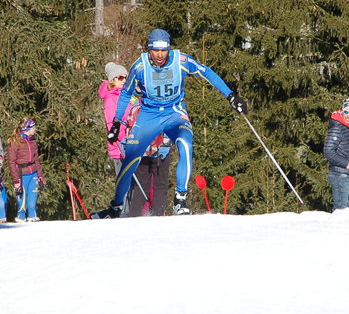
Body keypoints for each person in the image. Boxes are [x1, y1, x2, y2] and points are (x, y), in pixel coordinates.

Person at [92, 28, 247, 218]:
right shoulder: (140, 66)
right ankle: (115, 207)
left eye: (163, 50)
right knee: (131, 158)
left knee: (185, 143)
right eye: (155, 50)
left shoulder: (180, 61)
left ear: (168, 49)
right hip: (149, 115)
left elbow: (206, 72)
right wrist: (117, 122)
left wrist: (231, 96)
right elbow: (125, 93)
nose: (159, 55)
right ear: (149, 49)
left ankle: (180, 199)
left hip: (174, 113)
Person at [99, 61, 134, 215]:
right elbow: (114, 122)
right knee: (124, 180)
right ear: (112, 80)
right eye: (120, 78)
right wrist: (126, 139)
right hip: (120, 146)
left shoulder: (127, 95)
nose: (124, 80)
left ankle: (131, 210)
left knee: (133, 180)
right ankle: (123, 211)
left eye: (126, 77)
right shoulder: (112, 97)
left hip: (132, 143)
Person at [126, 104, 173, 217]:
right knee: (160, 184)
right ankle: (157, 214)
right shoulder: (163, 106)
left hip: (141, 151)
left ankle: (135, 214)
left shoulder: (136, 108)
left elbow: (129, 129)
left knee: (141, 185)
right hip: (159, 150)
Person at [323, 98, 349, 212]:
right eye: (347, 112)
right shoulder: (337, 128)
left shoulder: (348, 128)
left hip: (347, 175)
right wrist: (346, 164)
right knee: (341, 211)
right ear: (342, 111)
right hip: (340, 174)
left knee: (348, 211)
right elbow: (328, 150)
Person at [6, 118, 45, 222]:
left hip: (33, 173)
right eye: (33, 127)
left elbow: (36, 159)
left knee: (32, 198)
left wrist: (40, 176)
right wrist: (16, 180)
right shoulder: (14, 142)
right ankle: (21, 216)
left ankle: (32, 215)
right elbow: (11, 162)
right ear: (26, 128)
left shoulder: (33, 141)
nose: (35, 129)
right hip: (22, 174)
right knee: (22, 200)